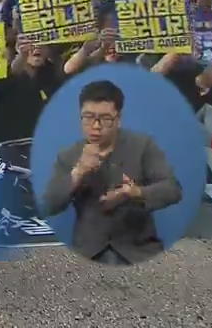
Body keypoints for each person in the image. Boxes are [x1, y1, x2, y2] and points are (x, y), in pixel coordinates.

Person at [42, 80, 183, 265]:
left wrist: (135, 193)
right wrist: (78, 172)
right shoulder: (68, 155)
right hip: (88, 253)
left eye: (105, 118)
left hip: (138, 251)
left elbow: (173, 189)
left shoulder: (143, 146)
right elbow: (49, 205)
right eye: (88, 117)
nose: (96, 125)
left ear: (119, 119)